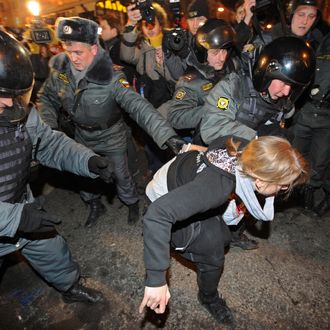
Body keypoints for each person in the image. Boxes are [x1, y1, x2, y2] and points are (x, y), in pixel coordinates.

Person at [139, 135, 309, 325]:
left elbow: (219, 140)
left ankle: (230, 234)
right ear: (260, 181)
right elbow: (157, 215)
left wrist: (189, 149)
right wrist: (156, 279)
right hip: (162, 202)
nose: (285, 188)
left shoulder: (245, 146)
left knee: (233, 217)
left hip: (185, 183)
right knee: (214, 254)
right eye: (282, 185)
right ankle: (208, 298)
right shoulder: (215, 187)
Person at [37, 17, 184, 228]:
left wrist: (167, 136)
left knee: (121, 175)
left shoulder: (112, 77)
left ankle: (132, 202)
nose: (73, 58)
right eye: (68, 51)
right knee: (83, 176)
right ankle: (94, 204)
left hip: (111, 135)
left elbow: (138, 107)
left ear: (94, 49)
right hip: (81, 135)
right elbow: (45, 98)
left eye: (79, 52)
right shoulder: (60, 71)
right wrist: (49, 128)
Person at [0, 30, 112, 303]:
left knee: (53, 251)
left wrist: (87, 160)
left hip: (21, 204)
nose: (8, 104)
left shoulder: (14, 108)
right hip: (14, 215)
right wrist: (16, 219)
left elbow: (47, 143)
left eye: (14, 96)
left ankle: (71, 288)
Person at [199, 36, 316, 144]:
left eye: (292, 86)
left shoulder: (283, 99)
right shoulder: (233, 87)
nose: (286, 92)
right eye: (284, 83)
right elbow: (212, 129)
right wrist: (258, 138)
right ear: (267, 74)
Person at [158, 19, 241, 133]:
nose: (222, 58)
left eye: (224, 51)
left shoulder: (232, 65)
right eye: (215, 53)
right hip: (212, 135)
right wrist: (216, 109)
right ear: (202, 53)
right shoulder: (190, 82)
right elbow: (176, 117)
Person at [292, 32, 330, 213]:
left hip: (327, 118)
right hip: (306, 111)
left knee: (320, 158)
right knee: (296, 153)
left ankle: (310, 190)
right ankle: (293, 189)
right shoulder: (320, 40)